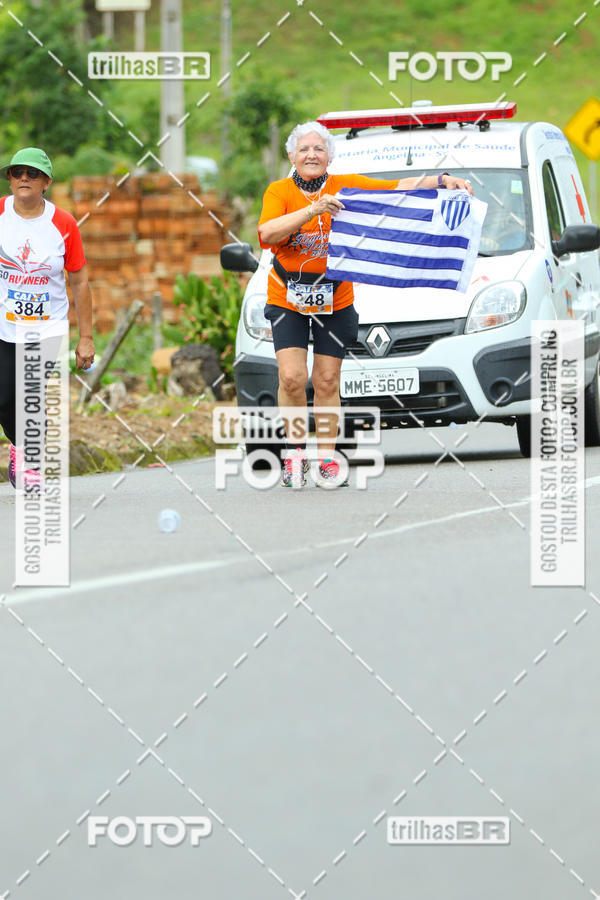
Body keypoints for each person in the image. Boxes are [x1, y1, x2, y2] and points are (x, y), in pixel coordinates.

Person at [258, 121, 473, 487]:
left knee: (326, 380)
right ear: (292, 156)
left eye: (319, 149)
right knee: (292, 379)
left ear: (329, 157)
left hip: (335, 297)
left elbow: (397, 191)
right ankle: (295, 455)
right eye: (305, 149)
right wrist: (314, 210)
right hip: (288, 296)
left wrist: (442, 181)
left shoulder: (347, 186)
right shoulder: (279, 191)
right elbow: (267, 234)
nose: (312, 155)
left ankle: (327, 457)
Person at [0, 147, 95, 489]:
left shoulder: (64, 223)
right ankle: (19, 445)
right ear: (10, 179)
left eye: (32, 173)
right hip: (4, 325)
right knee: (4, 398)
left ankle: (31, 466)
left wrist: (86, 338)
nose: (24, 178)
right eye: (17, 172)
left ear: (46, 182)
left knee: (31, 396)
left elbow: (80, 281)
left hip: (47, 326)